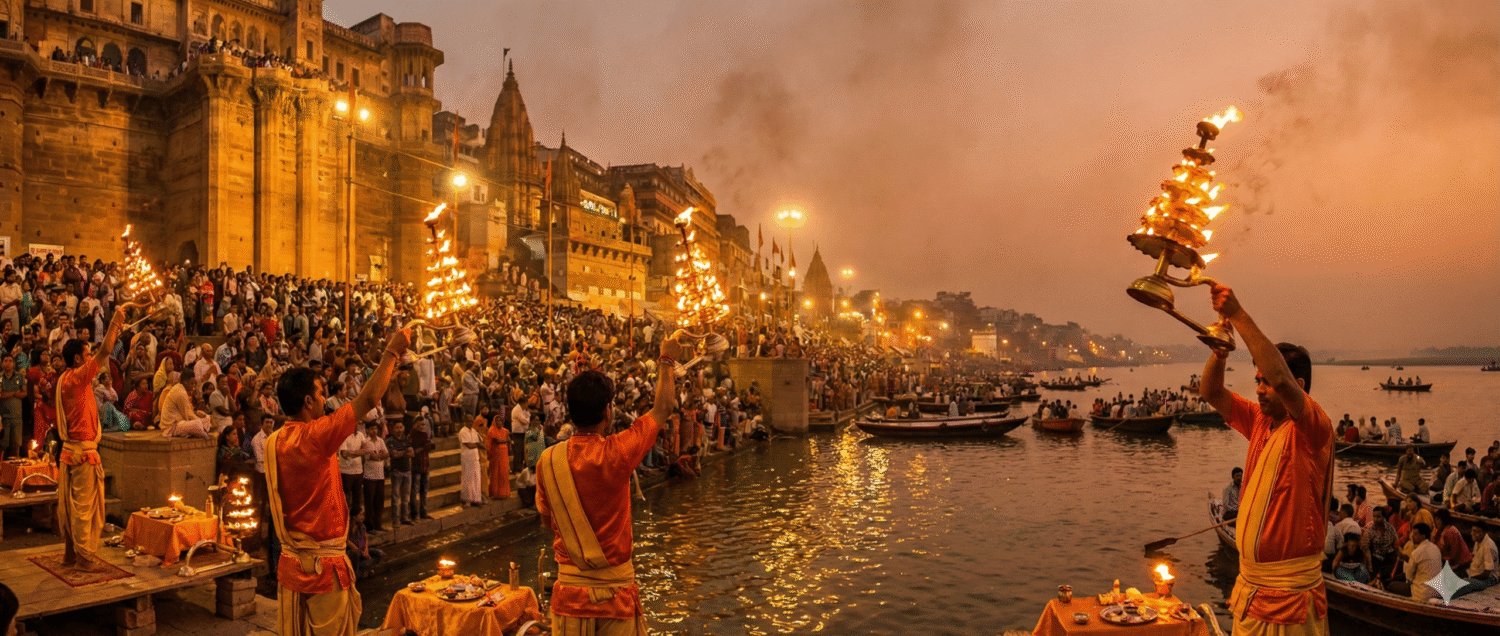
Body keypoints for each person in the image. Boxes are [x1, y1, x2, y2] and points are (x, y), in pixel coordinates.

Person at [1197, 283, 1331, 635]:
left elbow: (1283, 383)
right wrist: (1221, 353)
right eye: (1256, 380)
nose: (1259, 388)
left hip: (1291, 595)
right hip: (1252, 589)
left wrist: (1238, 314)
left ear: (1297, 384)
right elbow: (1210, 391)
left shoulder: (1313, 429)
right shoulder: (1258, 419)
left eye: (1266, 381)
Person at [264, 328, 408, 636]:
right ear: (306, 401)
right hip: (321, 569)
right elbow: (368, 398)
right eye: (319, 393)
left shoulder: (275, 440)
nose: (323, 400)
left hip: (293, 564)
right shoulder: (315, 436)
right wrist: (391, 352)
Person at [537, 333, 683, 635]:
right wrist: (666, 360)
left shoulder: (548, 460)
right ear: (607, 411)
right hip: (614, 602)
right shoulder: (617, 452)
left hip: (568, 602)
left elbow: (546, 521)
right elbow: (662, 409)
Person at [55, 298, 141, 571]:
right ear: (79, 359)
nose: (92, 356)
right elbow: (105, 350)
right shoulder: (78, 377)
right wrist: (117, 317)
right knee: (82, 508)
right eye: (87, 353)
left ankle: (71, 554)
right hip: (82, 454)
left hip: (72, 452)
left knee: (70, 506)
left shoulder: (67, 379)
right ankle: (83, 558)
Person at [1389, 523, 1440, 601]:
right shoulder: (1436, 548)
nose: (1412, 536)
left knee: (1392, 585)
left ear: (1423, 536)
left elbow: (1409, 577)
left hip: (1421, 593)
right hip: (1435, 592)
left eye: (1415, 534)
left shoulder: (1417, 552)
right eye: (1413, 533)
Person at [1453, 523, 1497, 599]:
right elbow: (1473, 559)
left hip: (1488, 579)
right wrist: (1457, 567)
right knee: (1453, 576)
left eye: (1476, 531)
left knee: (1463, 584)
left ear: (1484, 533)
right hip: (1475, 572)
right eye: (1473, 531)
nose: (1473, 534)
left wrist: (1472, 577)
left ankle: (1443, 599)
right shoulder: (1478, 541)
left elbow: (1487, 573)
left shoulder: (1488, 546)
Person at [360, 421, 388, 532]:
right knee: (369, 503)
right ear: (367, 430)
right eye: (372, 429)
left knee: (379, 502)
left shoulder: (381, 440)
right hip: (369, 477)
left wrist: (379, 456)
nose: (374, 431)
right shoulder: (365, 442)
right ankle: (369, 526)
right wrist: (379, 456)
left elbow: (386, 454)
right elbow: (372, 456)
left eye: (376, 429)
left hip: (380, 476)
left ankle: (378, 524)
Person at [1361, 506, 1398, 585]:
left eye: (1378, 516)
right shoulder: (1370, 530)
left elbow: (1396, 543)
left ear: (1383, 517)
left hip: (1387, 558)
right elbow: (1366, 548)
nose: (1376, 519)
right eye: (1374, 516)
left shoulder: (1390, 528)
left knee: (1385, 581)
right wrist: (1369, 565)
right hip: (1374, 558)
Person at [386, 421, 412, 526]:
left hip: (407, 470)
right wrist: (405, 452)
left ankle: (404, 518)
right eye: (397, 427)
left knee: (405, 497)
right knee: (396, 497)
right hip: (396, 472)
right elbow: (394, 455)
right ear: (393, 429)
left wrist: (402, 453)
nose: (399, 430)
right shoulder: (390, 441)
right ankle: (395, 520)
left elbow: (412, 453)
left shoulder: (407, 440)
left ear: (404, 428)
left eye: (401, 427)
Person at [1432, 509, 1472, 576]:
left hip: (1458, 563)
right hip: (1445, 560)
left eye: (1438, 519)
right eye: (1435, 519)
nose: (1436, 522)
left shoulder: (1451, 531)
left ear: (1444, 520)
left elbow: (1454, 553)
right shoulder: (1439, 531)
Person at [0, 355, 24, 459]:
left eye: (10, 361)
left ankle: (15, 471)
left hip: (17, 416)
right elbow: (0, 395)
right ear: (2, 363)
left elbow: (25, 393)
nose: (8, 363)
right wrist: (15, 392)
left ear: (13, 363)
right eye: (6, 361)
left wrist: (6, 393)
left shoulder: (19, 376)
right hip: (3, 417)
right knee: (2, 446)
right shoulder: (0, 377)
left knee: (16, 445)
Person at [457, 415, 484, 506]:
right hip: (467, 458)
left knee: (476, 479)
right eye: (469, 421)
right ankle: (466, 498)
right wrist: (478, 445)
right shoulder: (463, 431)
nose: (471, 423)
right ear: (465, 421)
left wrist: (478, 444)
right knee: (468, 479)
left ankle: (475, 499)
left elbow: (480, 442)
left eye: (472, 421)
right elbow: (469, 445)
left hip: (475, 458)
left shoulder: (474, 431)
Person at [487, 410, 510, 500]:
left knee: (504, 474)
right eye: (497, 421)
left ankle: (504, 493)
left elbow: (508, 438)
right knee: (496, 474)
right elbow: (497, 441)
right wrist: (506, 440)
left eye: (500, 421)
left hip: (504, 455)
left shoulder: (504, 430)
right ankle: (496, 493)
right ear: (494, 422)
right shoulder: (491, 431)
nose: (499, 422)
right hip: (495, 456)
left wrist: (506, 440)